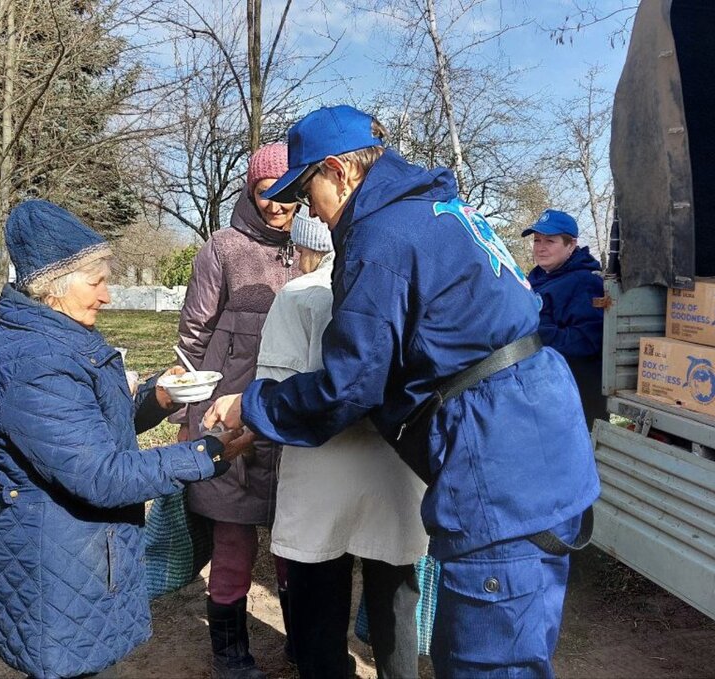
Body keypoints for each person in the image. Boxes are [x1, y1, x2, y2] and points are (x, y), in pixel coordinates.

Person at [204, 105, 601, 678]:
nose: (304, 210)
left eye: (307, 190)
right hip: (539, 435)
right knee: (514, 639)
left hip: (496, 458)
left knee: (485, 661)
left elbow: (351, 384)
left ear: (339, 171)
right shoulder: (441, 210)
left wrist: (252, 405)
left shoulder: (382, 234)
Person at [0, 200, 247, 679]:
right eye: (96, 282)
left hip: (72, 554)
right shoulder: (37, 364)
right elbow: (102, 475)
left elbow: (89, 431)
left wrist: (158, 397)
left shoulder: (57, 339)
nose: (108, 296)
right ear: (52, 288)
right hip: (53, 566)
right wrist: (208, 453)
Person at [256, 213, 428, 678]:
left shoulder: (299, 293)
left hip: (320, 470)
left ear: (303, 249)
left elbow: (277, 387)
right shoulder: (402, 285)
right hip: (395, 465)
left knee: (318, 596)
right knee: (395, 602)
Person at [169, 142, 302, 678]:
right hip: (227, 420)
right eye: (267, 192)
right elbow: (193, 336)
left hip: (290, 418)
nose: (277, 204)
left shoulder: (313, 249)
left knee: (297, 545)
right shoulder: (221, 249)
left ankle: (304, 643)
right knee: (233, 543)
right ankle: (231, 654)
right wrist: (188, 415)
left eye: (288, 193)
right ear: (251, 188)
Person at [524, 209, 606, 425]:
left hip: (574, 396)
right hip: (540, 390)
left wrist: (534, 333)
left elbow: (588, 341)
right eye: (537, 240)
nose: (540, 248)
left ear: (571, 245)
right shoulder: (534, 279)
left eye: (550, 241)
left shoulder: (585, 283)